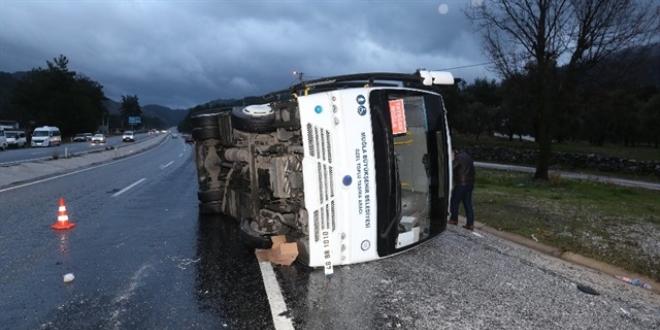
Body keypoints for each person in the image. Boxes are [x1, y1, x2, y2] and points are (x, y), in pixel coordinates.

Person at [448, 147, 476, 230]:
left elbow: (452, 167)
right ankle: (470, 223)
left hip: (461, 183)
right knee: (468, 204)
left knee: (454, 201)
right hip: (470, 183)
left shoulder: (459, 158)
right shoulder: (468, 157)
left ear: (455, 151)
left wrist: (452, 160)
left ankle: (454, 219)